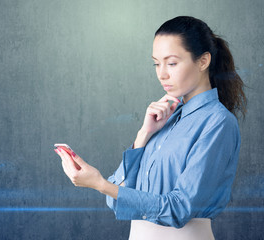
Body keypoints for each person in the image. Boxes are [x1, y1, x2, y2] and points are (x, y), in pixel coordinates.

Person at [54, 16, 247, 240]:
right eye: (156, 63)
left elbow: (179, 209)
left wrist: (99, 184)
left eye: (172, 63)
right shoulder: (165, 118)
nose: (161, 73)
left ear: (203, 61)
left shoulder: (218, 122)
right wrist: (144, 134)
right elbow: (117, 201)